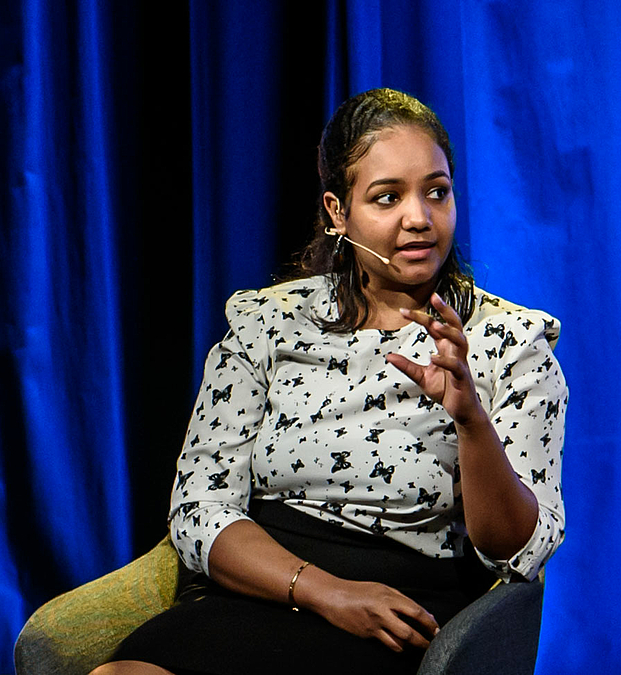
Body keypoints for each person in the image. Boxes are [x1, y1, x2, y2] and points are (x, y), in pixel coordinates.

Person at [94, 88, 567, 675]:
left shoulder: (512, 343)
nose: (418, 217)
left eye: (436, 192)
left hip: (400, 614)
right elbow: (200, 508)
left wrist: (471, 421)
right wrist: (326, 592)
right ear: (338, 213)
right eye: (387, 197)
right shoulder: (264, 323)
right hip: (266, 590)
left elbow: (518, 550)